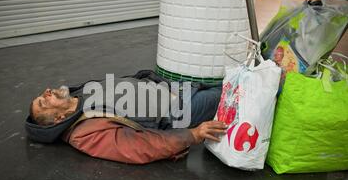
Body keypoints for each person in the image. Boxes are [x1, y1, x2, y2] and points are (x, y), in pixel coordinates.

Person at [25, 70, 227, 164]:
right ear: (59, 118)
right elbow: (137, 147)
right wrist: (192, 135)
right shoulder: (83, 132)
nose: (47, 91)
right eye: (44, 101)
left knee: (225, 81)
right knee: (234, 91)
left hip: (172, 89)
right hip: (180, 108)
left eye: (43, 95)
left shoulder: (78, 95)